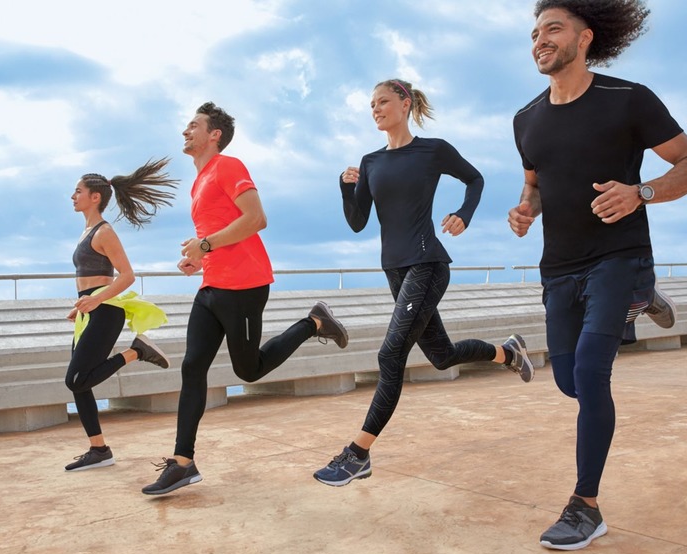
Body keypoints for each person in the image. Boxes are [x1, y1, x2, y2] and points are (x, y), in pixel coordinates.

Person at [510, 0, 687, 550]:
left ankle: (585, 506)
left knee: (594, 373)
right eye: (534, 33)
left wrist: (640, 192)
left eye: (553, 29)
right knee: (569, 381)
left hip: (617, 254)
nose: (540, 40)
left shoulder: (630, 99)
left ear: (585, 38)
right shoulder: (525, 118)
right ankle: (643, 296)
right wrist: (527, 207)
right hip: (559, 266)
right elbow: (536, 182)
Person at [312, 79, 535, 488]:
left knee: (390, 355)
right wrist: (345, 188)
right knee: (443, 355)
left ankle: (357, 454)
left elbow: (475, 179)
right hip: (394, 270)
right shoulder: (371, 162)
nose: (375, 109)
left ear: (405, 103)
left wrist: (464, 214)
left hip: (428, 263)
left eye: (382, 101)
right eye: (371, 104)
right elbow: (358, 222)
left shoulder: (432, 150)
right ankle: (508, 352)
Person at [141, 102, 349, 496]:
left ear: (214, 134)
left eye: (194, 125)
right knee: (192, 367)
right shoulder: (198, 181)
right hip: (211, 286)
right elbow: (222, 233)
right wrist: (199, 258)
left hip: (245, 286)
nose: (186, 131)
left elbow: (256, 219)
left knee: (248, 371)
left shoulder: (228, 166)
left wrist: (204, 243)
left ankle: (314, 322)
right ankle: (183, 462)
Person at [65, 158, 178, 472]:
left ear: (95, 197)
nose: (72, 197)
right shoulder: (87, 231)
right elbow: (90, 280)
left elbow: (127, 276)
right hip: (90, 310)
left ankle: (136, 351)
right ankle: (98, 449)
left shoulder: (104, 232)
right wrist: (80, 305)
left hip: (106, 311)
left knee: (75, 379)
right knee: (81, 385)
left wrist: (95, 300)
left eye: (77, 191)